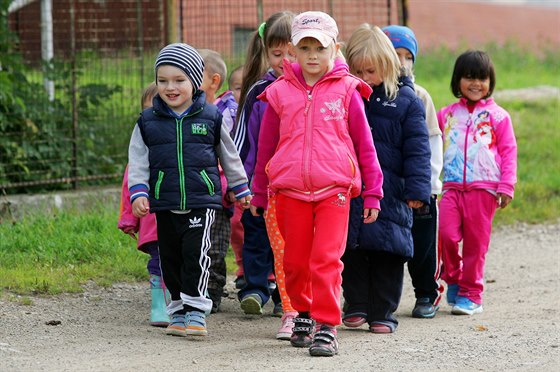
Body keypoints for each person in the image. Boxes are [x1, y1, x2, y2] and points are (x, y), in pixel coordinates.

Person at [250, 11, 383, 357]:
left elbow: (365, 144)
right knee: (295, 262)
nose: (312, 55)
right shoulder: (278, 93)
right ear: (292, 51)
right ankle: (304, 314)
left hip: (334, 190)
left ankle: (327, 325)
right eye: (304, 47)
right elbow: (266, 145)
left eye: (320, 48)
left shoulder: (347, 91)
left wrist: (373, 191)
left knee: (325, 259)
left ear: (334, 49)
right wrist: (260, 189)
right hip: (290, 190)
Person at [127, 43, 252, 337]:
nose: (170, 87)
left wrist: (240, 186)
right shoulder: (148, 122)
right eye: (163, 81)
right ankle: (178, 312)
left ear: (196, 81)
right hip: (164, 201)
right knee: (171, 259)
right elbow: (138, 159)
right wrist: (139, 192)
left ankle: (196, 310)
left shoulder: (210, 117)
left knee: (196, 255)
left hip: (201, 200)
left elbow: (229, 154)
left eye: (179, 80)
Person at [342, 24, 431, 334]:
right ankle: (355, 305)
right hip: (352, 190)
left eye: (372, 70)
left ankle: (383, 311)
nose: (365, 78)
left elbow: (418, 149)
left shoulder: (406, 100)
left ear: (389, 66)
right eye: (359, 70)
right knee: (351, 249)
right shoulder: (345, 95)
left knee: (388, 252)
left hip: (392, 192)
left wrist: (419, 188)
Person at [232, 11, 298, 341]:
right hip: (261, 185)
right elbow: (242, 137)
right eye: (277, 53)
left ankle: (285, 297)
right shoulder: (260, 89)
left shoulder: (311, 91)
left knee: (290, 244)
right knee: (256, 236)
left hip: (297, 187)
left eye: (292, 52)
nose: (285, 60)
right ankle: (255, 289)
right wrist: (239, 181)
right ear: (265, 52)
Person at [437, 50, 517, 315]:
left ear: (490, 81)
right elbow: (431, 145)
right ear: (457, 80)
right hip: (450, 187)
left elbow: (508, 152)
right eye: (469, 77)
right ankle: (454, 279)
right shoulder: (445, 115)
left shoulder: (498, 116)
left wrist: (506, 185)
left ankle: (472, 294)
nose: (476, 84)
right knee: (446, 235)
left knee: (475, 245)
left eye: (482, 78)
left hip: (483, 190)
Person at [382, 25, 445, 318]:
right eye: (396, 55)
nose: (403, 62)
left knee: (422, 246)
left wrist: (431, 185)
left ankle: (426, 294)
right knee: (384, 245)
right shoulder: (367, 94)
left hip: (419, 187)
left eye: (409, 56)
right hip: (386, 188)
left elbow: (432, 142)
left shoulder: (420, 96)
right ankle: (374, 299)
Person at [118, 82, 170, 327]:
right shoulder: (141, 151)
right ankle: (158, 305)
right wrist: (129, 217)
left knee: (181, 259)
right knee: (158, 260)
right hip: (152, 220)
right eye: (150, 111)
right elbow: (131, 183)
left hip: (180, 215)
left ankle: (180, 301)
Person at [197, 48, 236, 313]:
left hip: (218, 193)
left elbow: (231, 154)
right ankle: (194, 287)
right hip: (190, 192)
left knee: (216, 244)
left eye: (191, 76)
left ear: (214, 81)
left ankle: (213, 288)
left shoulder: (226, 113)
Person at [215, 65, 246, 289]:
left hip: (256, 176)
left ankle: (268, 274)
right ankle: (242, 268)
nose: (241, 93)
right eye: (237, 88)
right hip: (232, 181)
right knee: (236, 225)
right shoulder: (224, 111)